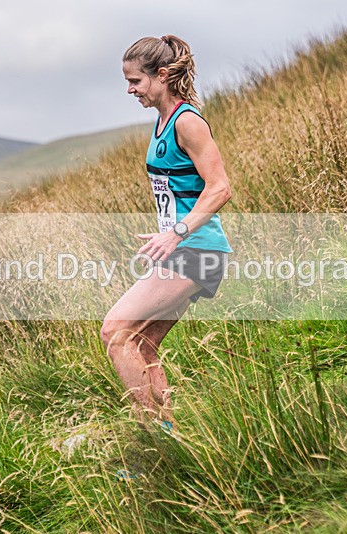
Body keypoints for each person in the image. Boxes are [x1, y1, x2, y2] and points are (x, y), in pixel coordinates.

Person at [100, 35, 233, 430]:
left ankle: (149, 440)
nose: (130, 89)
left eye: (135, 81)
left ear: (161, 75)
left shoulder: (188, 121)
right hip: (178, 250)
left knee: (115, 331)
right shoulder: (161, 122)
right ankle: (169, 439)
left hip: (197, 250)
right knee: (141, 343)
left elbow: (221, 187)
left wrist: (175, 232)